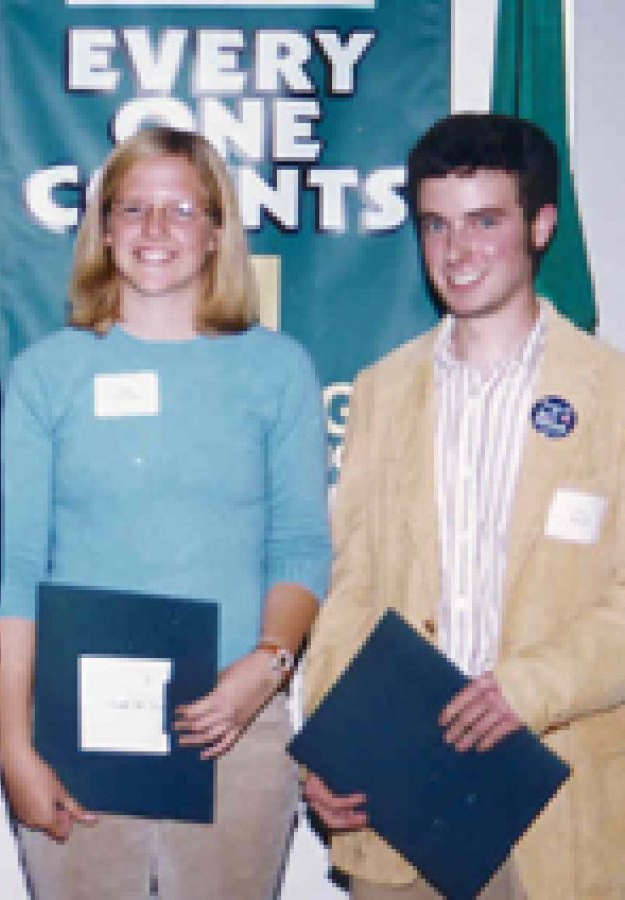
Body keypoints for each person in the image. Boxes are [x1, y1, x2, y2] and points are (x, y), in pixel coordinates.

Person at [0, 126, 330, 899]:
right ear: (103, 228)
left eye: (182, 209)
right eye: (134, 208)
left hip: (234, 726)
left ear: (217, 232)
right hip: (79, 733)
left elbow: (302, 546)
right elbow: (17, 571)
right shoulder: (47, 374)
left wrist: (267, 665)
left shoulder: (277, 369)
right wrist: (14, 746)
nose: (155, 229)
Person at [302, 112, 625, 899]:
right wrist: (326, 746)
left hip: (560, 802)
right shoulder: (382, 391)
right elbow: (352, 588)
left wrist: (528, 687)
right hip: (400, 803)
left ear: (541, 226)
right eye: (436, 225)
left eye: (486, 222)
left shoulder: (613, 396)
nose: (458, 251)